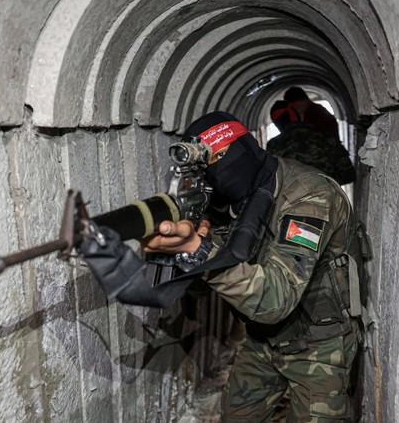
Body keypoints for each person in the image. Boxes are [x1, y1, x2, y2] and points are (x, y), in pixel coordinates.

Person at [140, 111, 368, 422]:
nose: (214, 173)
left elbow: (276, 300)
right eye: (205, 167)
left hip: (321, 346)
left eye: (219, 158)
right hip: (264, 339)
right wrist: (181, 248)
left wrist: (198, 250)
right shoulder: (235, 198)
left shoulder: (309, 197)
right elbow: (206, 283)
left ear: (242, 149)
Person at [268, 100, 356, 185]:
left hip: (291, 200)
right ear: (296, 115)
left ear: (277, 124)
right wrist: (327, 184)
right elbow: (348, 175)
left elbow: (271, 183)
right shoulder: (324, 134)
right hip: (328, 196)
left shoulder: (273, 146)